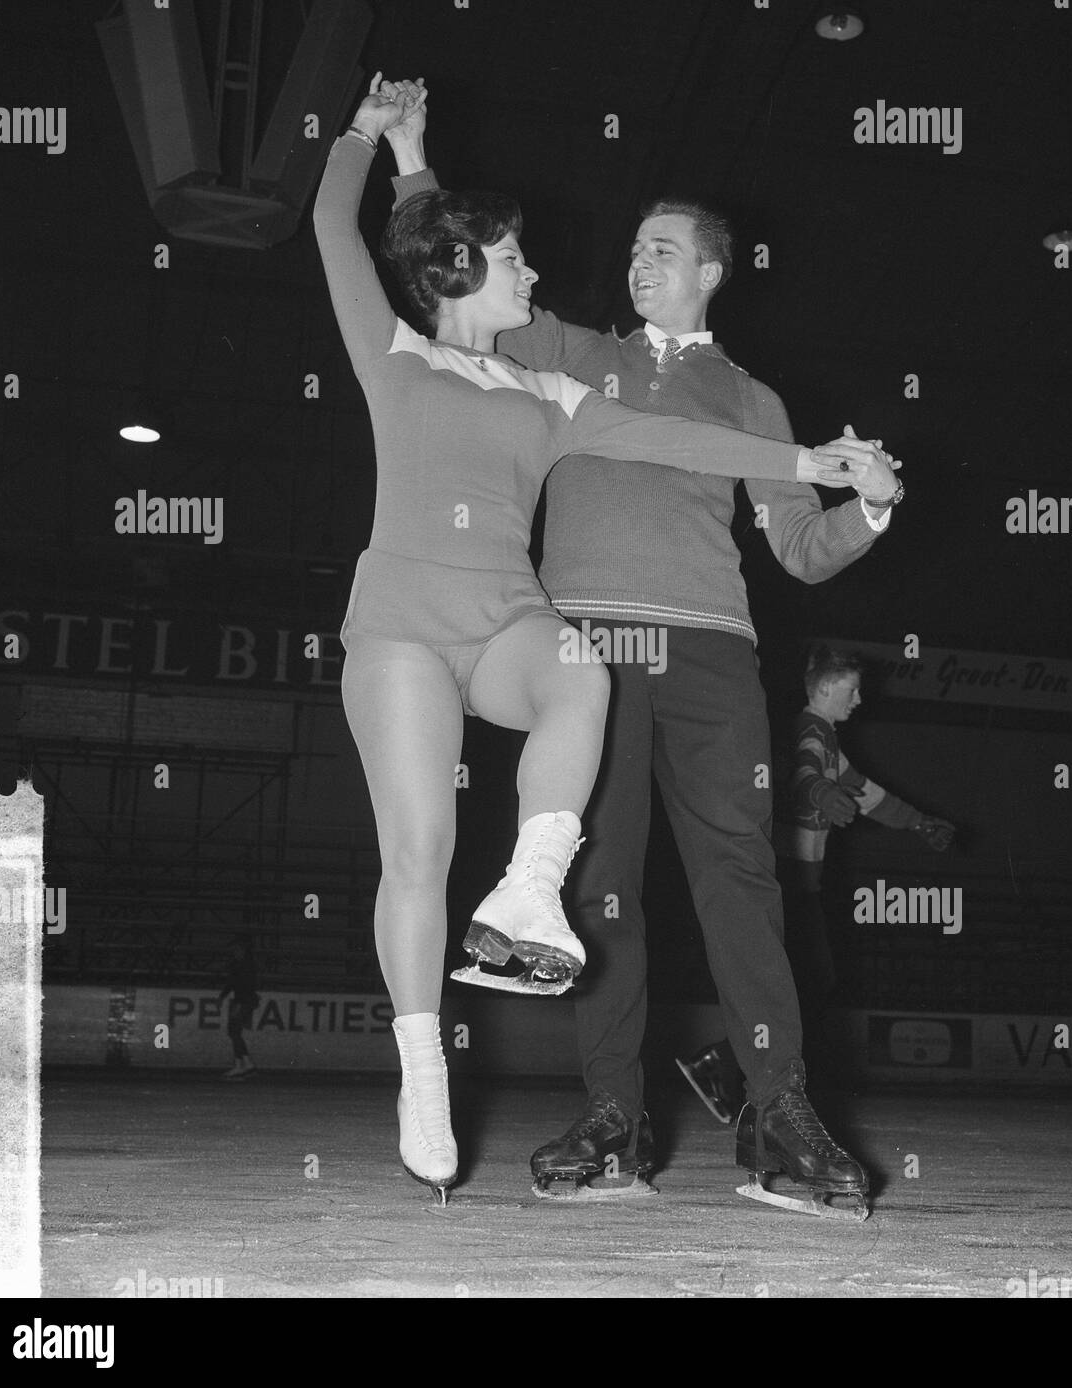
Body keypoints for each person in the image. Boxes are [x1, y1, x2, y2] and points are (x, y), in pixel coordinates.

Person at [314, 76, 876, 1204]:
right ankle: (526, 1090)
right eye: (627, 247)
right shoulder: (493, 350)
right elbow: (419, 249)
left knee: (702, 830)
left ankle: (763, 1099)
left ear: (711, 268)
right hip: (496, 632)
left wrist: (833, 480)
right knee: (516, 869)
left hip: (634, 635)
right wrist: (394, 141)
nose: (626, 263)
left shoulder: (660, 396)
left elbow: (735, 491)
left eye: (658, 249)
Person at [679, 648, 957, 1122]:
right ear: (826, 689)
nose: (858, 699)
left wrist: (918, 822)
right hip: (788, 883)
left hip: (799, 884)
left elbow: (869, 795)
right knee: (807, 984)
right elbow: (802, 775)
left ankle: (723, 1063)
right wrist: (820, 790)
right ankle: (726, 1064)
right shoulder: (810, 732)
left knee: (805, 985)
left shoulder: (827, 739)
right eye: (852, 690)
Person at [216, 939, 258, 1082]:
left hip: (243, 1001)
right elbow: (232, 983)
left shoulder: (246, 966)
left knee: (234, 1031)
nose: (234, 953)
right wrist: (223, 996)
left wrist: (239, 1003)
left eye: (236, 950)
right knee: (234, 1031)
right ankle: (242, 1064)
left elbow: (244, 986)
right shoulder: (240, 965)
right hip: (242, 1000)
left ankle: (245, 1064)